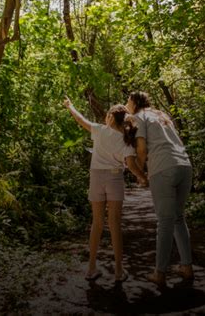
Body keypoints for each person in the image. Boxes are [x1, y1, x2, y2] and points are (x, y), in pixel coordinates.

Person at [64, 97, 147, 282]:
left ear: (110, 117)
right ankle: (118, 271)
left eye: (107, 114)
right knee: (115, 224)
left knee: (97, 223)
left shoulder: (100, 131)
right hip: (115, 178)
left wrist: (71, 106)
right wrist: (143, 178)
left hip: (96, 177)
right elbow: (132, 165)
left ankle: (91, 268)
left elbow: (80, 120)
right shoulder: (127, 141)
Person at [126, 91, 194, 287]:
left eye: (128, 101)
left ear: (134, 102)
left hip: (163, 168)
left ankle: (160, 273)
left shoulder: (138, 117)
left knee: (165, 221)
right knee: (178, 218)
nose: (127, 104)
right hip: (184, 165)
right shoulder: (162, 115)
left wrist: (139, 172)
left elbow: (141, 149)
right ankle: (186, 267)